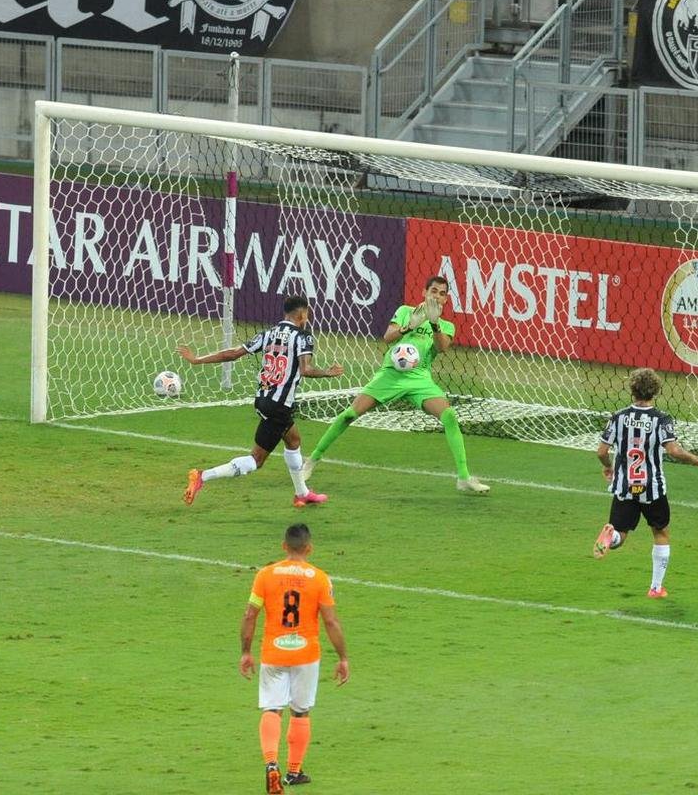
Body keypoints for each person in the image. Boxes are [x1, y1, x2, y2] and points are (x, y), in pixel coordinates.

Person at [302, 276, 489, 494]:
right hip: (390, 374)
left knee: (449, 416)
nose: (437, 296)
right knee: (349, 415)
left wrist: (434, 323)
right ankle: (312, 460)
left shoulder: (446, 325)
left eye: (442, 293)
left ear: (446, 299)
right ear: (424, 293)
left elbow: (443, 347)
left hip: (419, 378)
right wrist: (409, 326)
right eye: (434, 291)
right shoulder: (405, 311)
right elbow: (388, 337)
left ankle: (464, 478)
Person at [179, 295, 344, 508]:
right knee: (256, 460)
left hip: (263, 399)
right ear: (302, 314)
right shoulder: (303, 337)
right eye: (307, 314)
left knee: (293, 440)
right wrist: (328, 373)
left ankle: (301, 493)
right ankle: (202, 476)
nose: (308, 318)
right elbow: (306, 369)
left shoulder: (268, 334)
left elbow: (233, 354)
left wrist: (197, 360)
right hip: (279, 405)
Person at [240, 523, 348, 794]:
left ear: (284, 546)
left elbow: (250, 615)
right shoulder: (320, 578)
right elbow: (331, 622)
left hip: (273, 652)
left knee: (272, 708)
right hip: (306, 654)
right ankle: (293, 772)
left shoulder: (265, 575)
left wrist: (245, 652)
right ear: (309, 548)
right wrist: (343, 657)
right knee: (300, 711)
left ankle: (270, 765)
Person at [591, 368, 698, 598]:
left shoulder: (618, 417)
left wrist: (609, 466)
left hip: (625, 487)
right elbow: (674, 450)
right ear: (656, 391)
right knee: (661, 532)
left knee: (621, 536)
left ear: (632, 390)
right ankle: (656, 588)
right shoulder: (661, 419)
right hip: (653, 488)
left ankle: (612, 535)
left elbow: (601, 451)